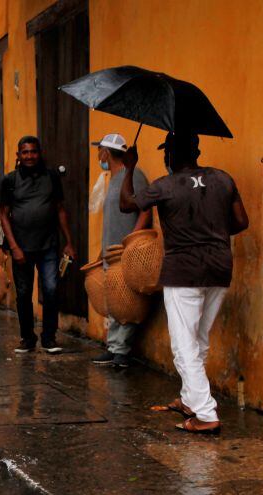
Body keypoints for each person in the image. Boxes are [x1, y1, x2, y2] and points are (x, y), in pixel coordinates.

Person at [120, 132, 248, 434]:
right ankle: (191, 399)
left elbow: (127, 204)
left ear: (169, 157)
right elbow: (241, 222)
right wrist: (210, 229)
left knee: (183, 344)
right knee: (199, 339)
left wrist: (129, 167)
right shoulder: (222, 179)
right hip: (219, 267)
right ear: (197, 150)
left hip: (184, 271)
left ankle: (205, 413)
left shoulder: (164, 186)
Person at [0, 136, 77, 354]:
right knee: (23, 294)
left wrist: (69, 242)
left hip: (48, 245)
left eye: (33, 151)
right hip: (21, 248)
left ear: (39, 153)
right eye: (25, 152)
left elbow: (60, 209)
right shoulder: (10, 180)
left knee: (51, 290)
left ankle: (49, 338)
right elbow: (3, 215)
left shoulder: (51, 177)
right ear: (18, 155)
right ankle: (27, 338)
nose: (29, 156)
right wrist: (14, 247)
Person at [90, 133, 151, 368]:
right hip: (111, 250)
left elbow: (145, 210)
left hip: (126, 250)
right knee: (115, 300)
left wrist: (131, 241)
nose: (98, 156)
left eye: (99, 151)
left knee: (127, 301)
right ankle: (114, 347)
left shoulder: (134, 175)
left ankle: (121, 351)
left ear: (106, 152)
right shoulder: (112, 178)